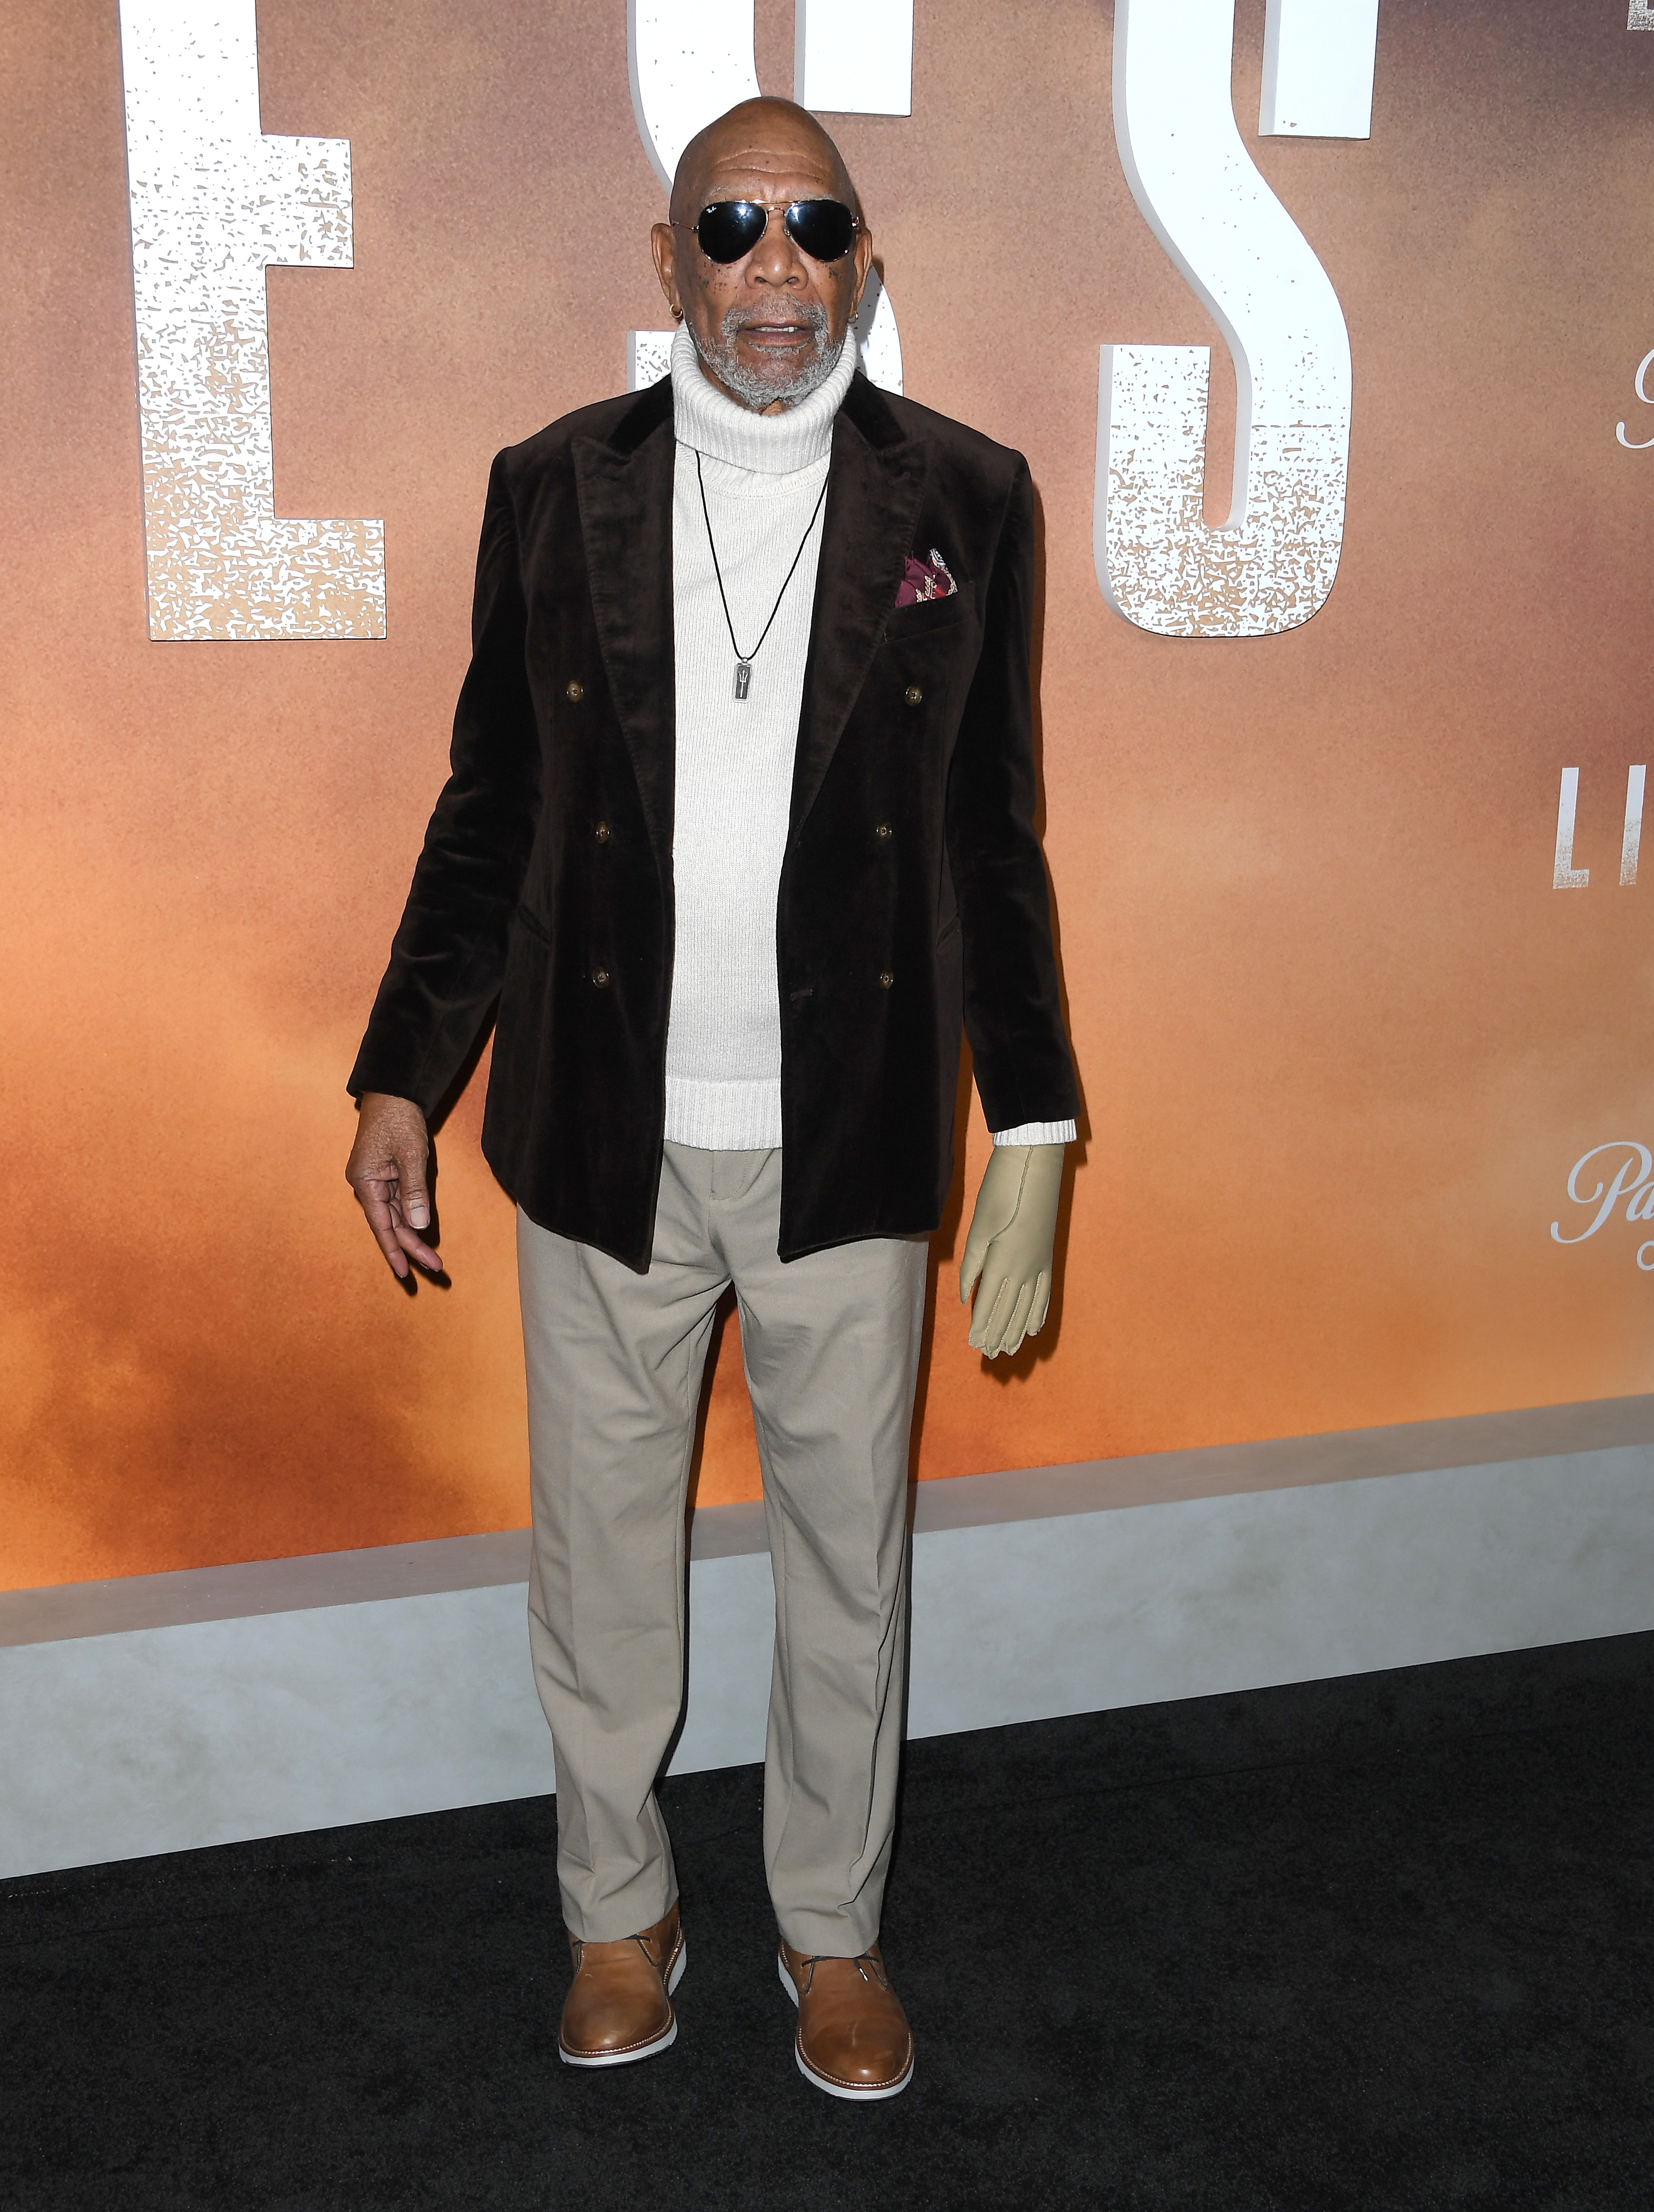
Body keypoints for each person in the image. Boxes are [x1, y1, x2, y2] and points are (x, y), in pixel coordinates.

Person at [345, 97, 1078, 2103]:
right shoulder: (545, 489)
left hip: (846, 1130)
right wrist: (408, 1067)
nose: (775, 267)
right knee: (600, 1555)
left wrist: (1034, 1115)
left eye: (813, 228)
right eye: (730, 226)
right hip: (602, 1126)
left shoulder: (971, 499)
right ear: (662, 261)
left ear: (865, 262)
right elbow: (489, 805)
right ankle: (618, 1906)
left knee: (852, 1559)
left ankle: (829, 1931)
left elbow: (991, 840)